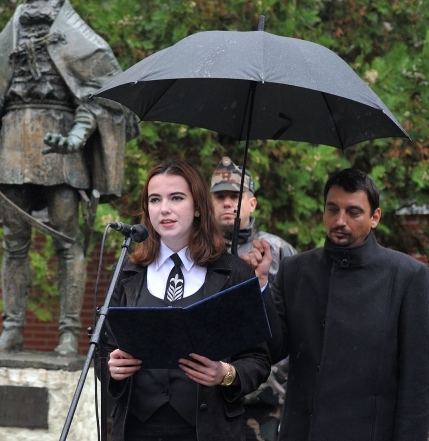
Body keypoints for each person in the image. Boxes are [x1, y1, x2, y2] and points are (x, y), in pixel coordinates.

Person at [0, 0, 133, 356]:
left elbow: (99, 96)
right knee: (14, 241)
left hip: (61, 150)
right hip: (14, 144)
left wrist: (76, 137)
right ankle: (12, 328)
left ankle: (68, 332)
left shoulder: (81, 41)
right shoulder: (4, 43)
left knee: (67, 240)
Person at [255, 168, 429, 440]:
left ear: (375, 217)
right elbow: (273, 348)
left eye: (353, 212)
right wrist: (261, 285)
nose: (340, 220)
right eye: (332, 209)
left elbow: (416, 385)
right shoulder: (296, 270)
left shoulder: (408, 276)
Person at [105, 159, 271, 441]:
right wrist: (112, 369)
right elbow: (102, 349)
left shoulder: (234, 272)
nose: (164, 208)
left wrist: (226, 373)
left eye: (177, 198)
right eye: (154, 199)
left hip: (207, 430)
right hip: (137, 430)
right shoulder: (127, 273)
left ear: (197, 207)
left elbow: (258, 358)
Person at [209, 156, 295, 440]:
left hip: (265, 400)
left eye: (235, 195)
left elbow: (293, 328)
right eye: (219, 196)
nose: (227, 203)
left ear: (252, 203)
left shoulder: (278, 252)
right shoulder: (198, 255)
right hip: (210, 397)